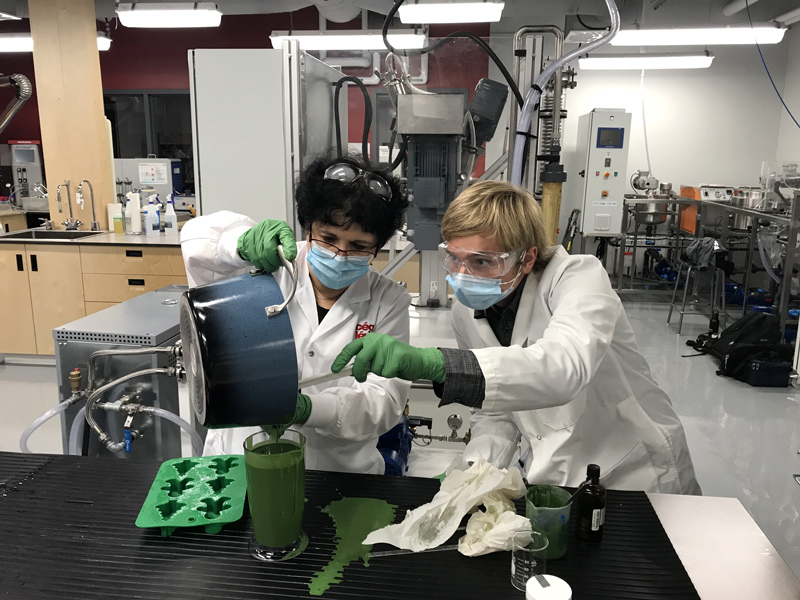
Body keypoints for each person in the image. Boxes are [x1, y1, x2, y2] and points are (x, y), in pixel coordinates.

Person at [333, 180, 701, 494]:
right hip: (551, 475)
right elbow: (496, 410)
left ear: (526, 259)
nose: (462, 275)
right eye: (454, 258)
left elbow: (564, 369)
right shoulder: (466, 312)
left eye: (481, 262)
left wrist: (435, 363)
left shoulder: (578, 278)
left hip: (633, 472)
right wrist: (473, 473)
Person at [181, 154, 411, 474]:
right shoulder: (270, 265)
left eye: (358, 246)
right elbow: (196, 240)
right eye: (328, 238)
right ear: (308, 228)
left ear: (377, 248)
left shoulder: (389, 301)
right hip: (243, 459)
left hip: (340, 471)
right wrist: (240, 243)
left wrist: (310, 410)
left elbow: (384, 402)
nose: (340, 255)